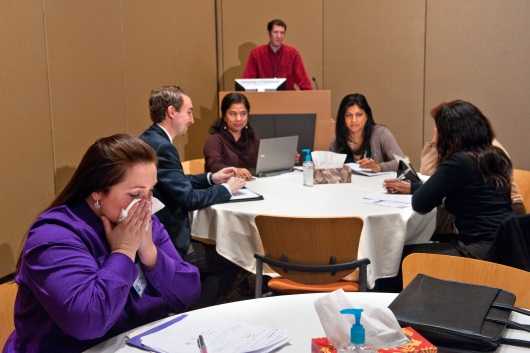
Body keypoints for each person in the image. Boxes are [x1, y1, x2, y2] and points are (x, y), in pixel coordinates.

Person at [3, 134, 200, 353]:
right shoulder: (54, 235)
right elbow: (87, 321)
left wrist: (150, 252)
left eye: (150, 191)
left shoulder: (144, 222)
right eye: (135, 194)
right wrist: (124, 252)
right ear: (97, 193)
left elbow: (188, 292)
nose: (147, 204)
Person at [139, 85, 245, 306]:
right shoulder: (163, 147)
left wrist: (210, 179)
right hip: (167, 239)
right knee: (233, 255)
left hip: (152, 233)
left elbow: (174, 183)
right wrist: (227, 189)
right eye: (188, 111)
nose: (192, 119)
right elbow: (188, 199)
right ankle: (198, 310)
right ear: (171, 112)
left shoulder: (151, 139)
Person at [405, 100, 514, 259]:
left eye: (437, 126)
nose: (434, 130)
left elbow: (420, 203)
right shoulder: (496, 155)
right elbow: (471, 191)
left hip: (479, 251)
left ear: (449, 131)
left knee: (400, 259)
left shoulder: (459, 162)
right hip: (506, 244)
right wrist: (414, 187)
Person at [330, 93, 405, 172]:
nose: (354, 120)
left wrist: (379, 167)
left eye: (359, 115)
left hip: (377, 183)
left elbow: (403, 164)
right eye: (348, 115)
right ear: (343, 118)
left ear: (367, 116)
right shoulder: (337, 140)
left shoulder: (381, 134)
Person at [242, 19, 312, 90]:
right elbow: (247, 81)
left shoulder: (293, 53)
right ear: (269, 33)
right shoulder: (256, 53)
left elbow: (303, 80)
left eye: (282, 33)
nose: (279, 36)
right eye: (275, 32)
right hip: (263, 97)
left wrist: (310, 96)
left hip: (287, 96)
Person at [203, 92, 258, 180]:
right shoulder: (214, 139)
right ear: (224, 116)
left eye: (243, 113)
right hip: (223, 188)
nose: (238, 119)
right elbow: (213, 165)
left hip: (250, 186)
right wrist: (235, 171)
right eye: (233, 114)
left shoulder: (251, 137)